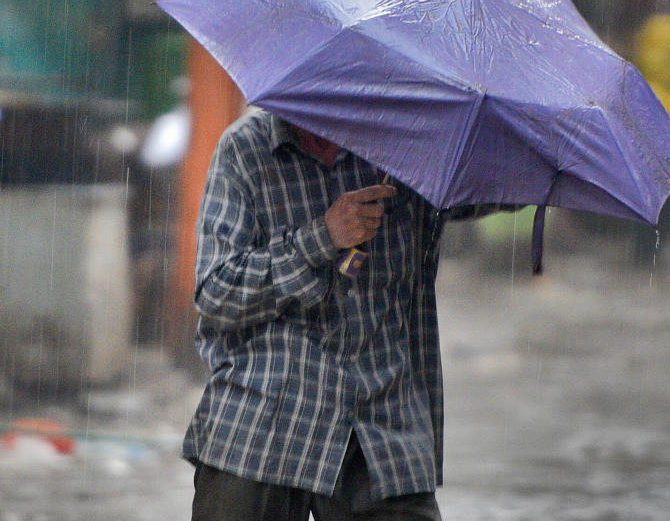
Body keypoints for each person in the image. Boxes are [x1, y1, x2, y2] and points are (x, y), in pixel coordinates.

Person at [186, 107, 503, 520]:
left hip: (382, 423)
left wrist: (502, 137)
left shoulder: (404, 146)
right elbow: (217, 291)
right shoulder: (244, 150)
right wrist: (322, 237)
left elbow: (484, 190)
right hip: (263, 419)